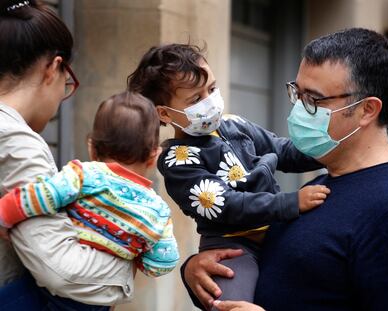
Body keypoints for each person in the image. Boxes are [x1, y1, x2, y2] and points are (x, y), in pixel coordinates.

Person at [183, 27, 388, 311]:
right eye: (298, 93)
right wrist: (195, 269)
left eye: (313, 100)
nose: (299, 111)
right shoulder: (321, 185)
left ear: (367, 110)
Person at [127, 43, 330, 308]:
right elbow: (226, 204)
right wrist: (290, 203)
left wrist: (326, 150)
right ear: (164, 113)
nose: (209, 102)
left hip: (277, 231)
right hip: (233, 248)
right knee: (231, 304)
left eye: (211, 89)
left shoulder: (234, 123)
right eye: (195, 99)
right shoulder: (177, 160)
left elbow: (281, 149)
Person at [0, 1, 134, 310]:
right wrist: (132, 260)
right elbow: (64, 274)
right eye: (67, 80)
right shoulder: (18, 141)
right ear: (52, 68)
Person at [0, 91, 179, 277]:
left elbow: (42, 195)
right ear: (152, 158)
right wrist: (137, 255)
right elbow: (163, 263)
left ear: (92, 148)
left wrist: (4, 214)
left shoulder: (83, 176)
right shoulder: (160, 212)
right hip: (101, 301)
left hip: (56, 284)